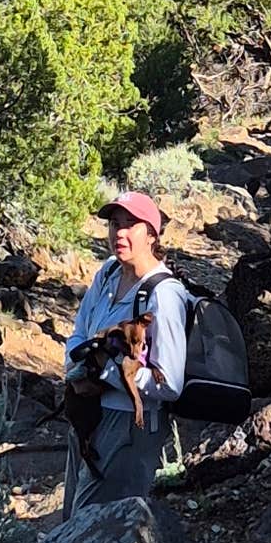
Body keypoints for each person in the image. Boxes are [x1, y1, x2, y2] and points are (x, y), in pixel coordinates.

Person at [61, 186, 189, 512]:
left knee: (94, 527)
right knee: (73, 521)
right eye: (114, 223)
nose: (120, 232)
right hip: (88, 415)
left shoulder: (165, 294)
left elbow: (170, 384)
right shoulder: (109, 272)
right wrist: (77, 370)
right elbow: (79, 333)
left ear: (151, 235)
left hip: (129, 427)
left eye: (130, 224)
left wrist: (104, 372)